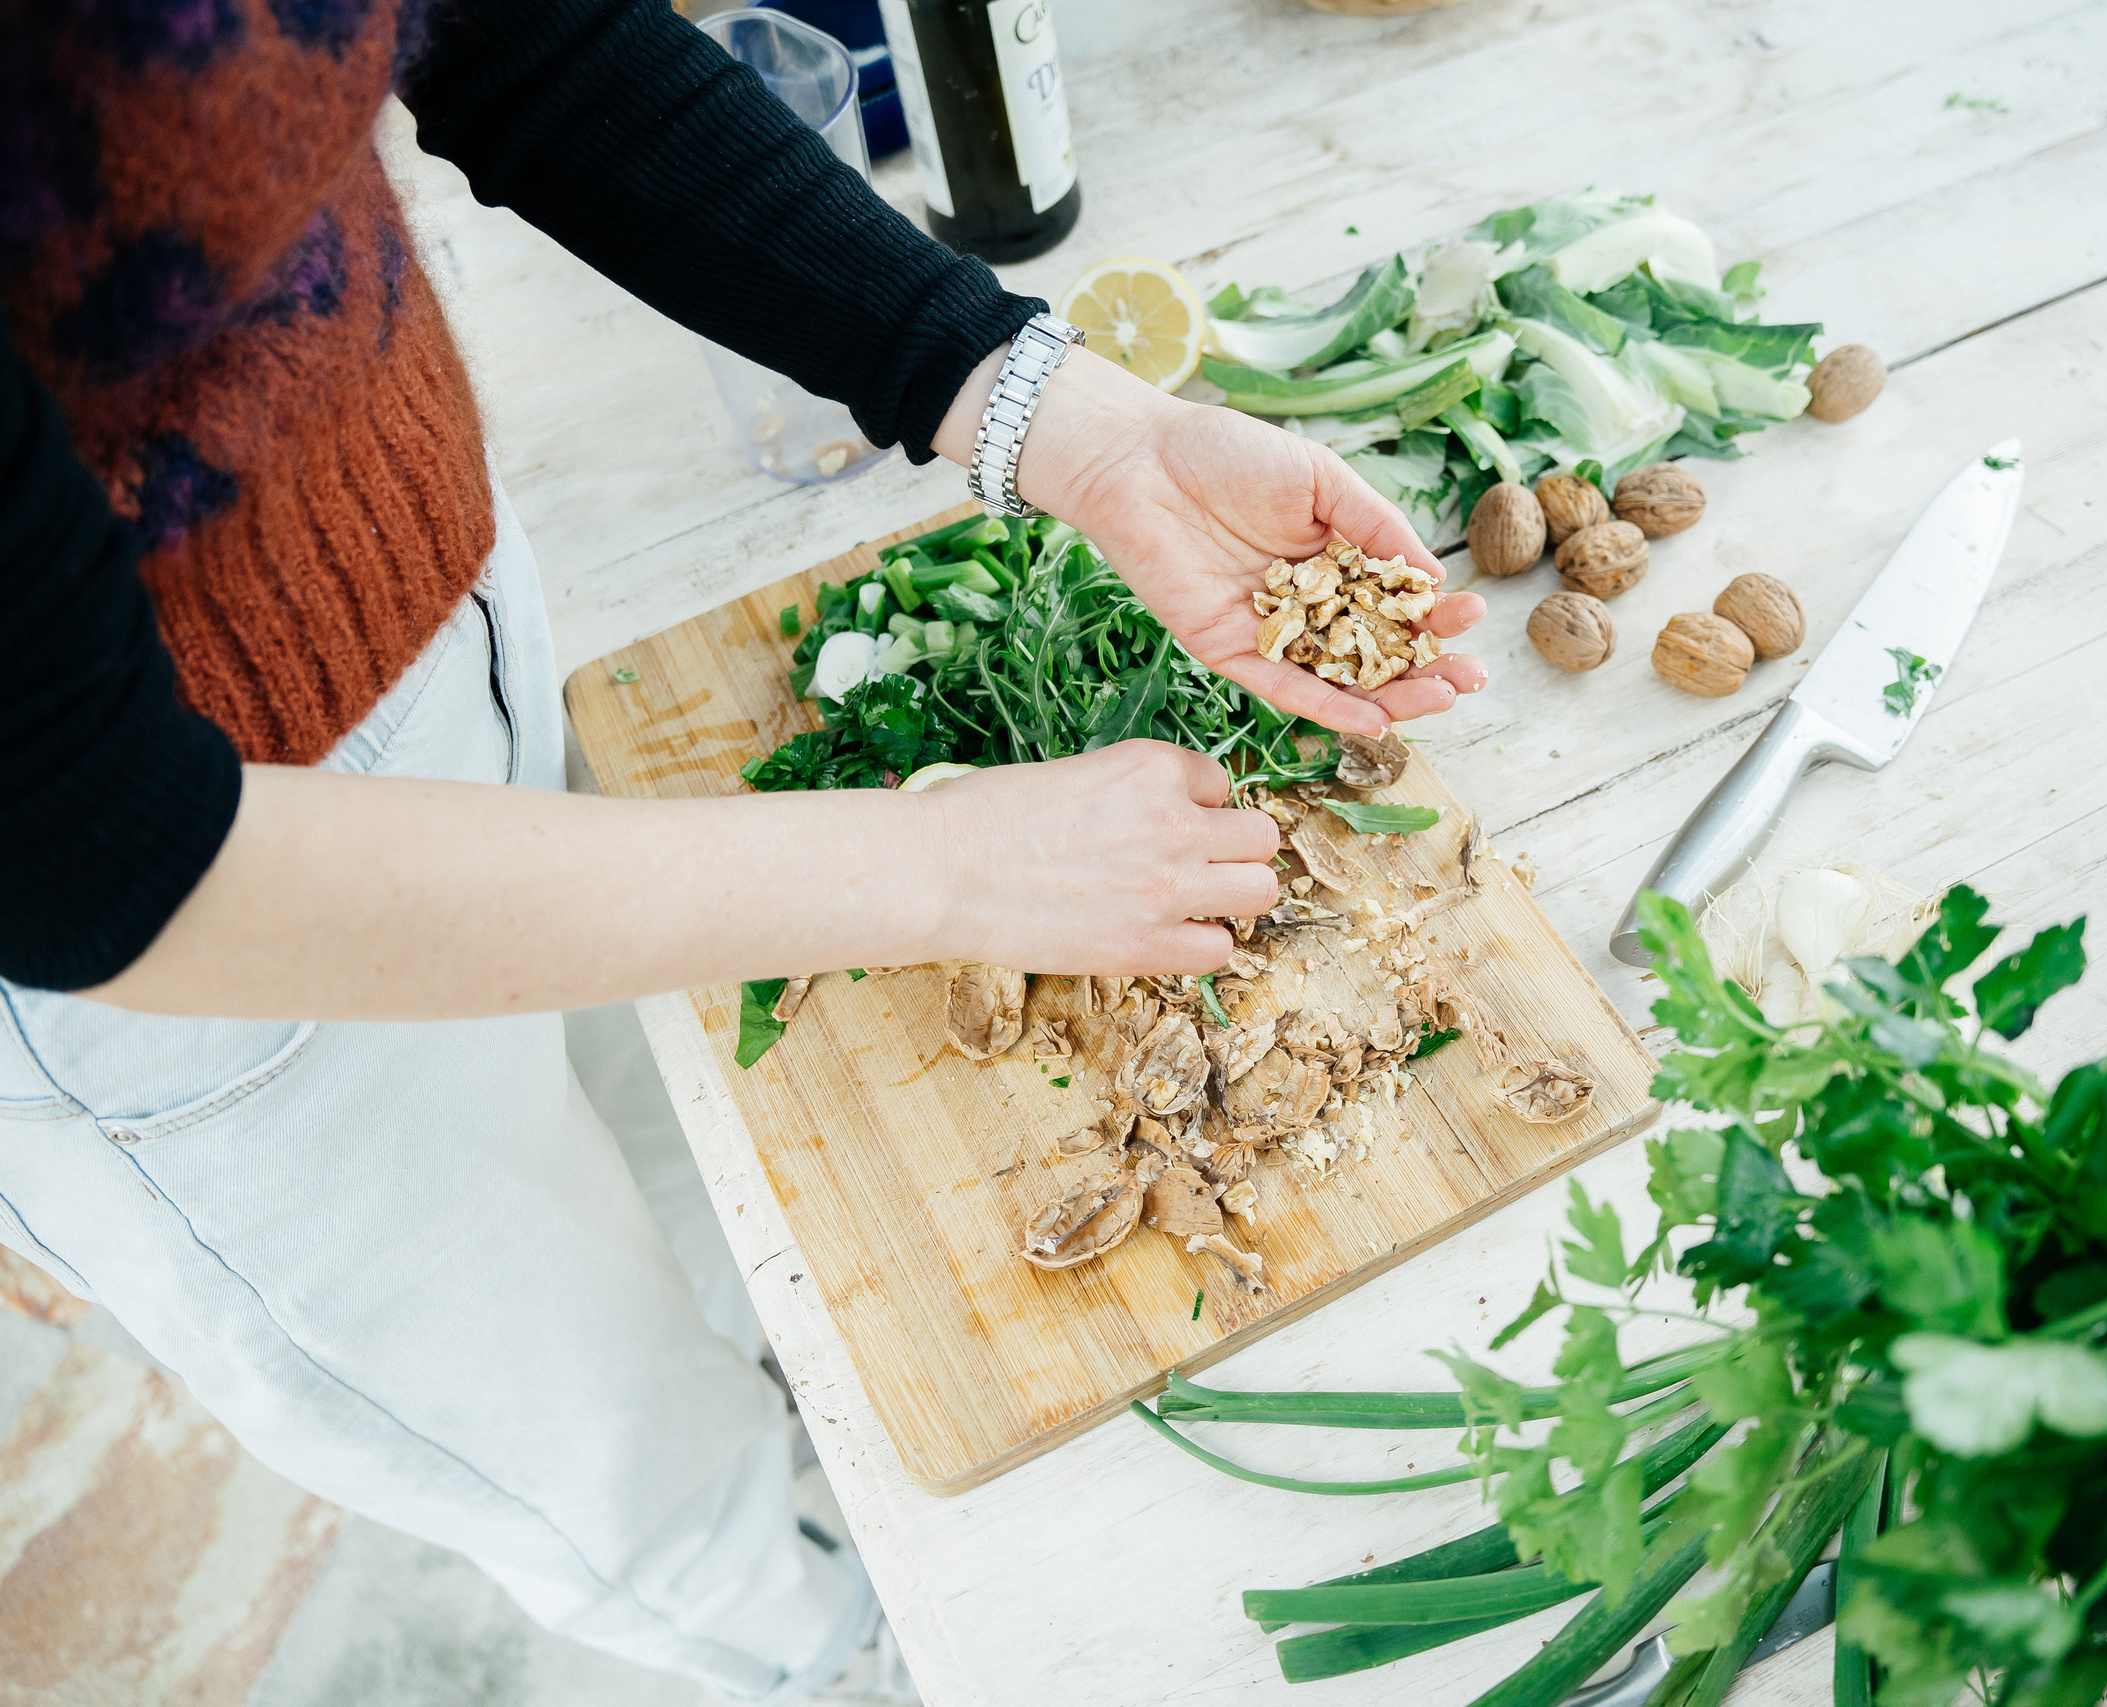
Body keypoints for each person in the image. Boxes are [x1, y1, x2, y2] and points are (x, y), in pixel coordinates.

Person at [0, 1, 1485, 1699]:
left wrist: (1069, 420)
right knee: (620, 1454)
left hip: (437, 610)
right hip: (189, 969)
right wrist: (947, 869)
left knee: (687, 1176)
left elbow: (520, 38)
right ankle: (859, 1654)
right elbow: (102, 865)